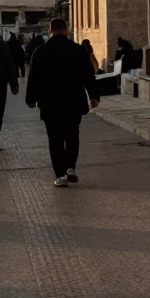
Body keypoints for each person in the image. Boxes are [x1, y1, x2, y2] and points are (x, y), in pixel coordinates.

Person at [25, 18, 100, 187]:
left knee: (55, 138)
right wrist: (94, 96)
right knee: (72, 134)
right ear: (66, 31)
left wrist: (31, 99)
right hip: (74, 101)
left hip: (50, 103)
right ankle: (70, 167)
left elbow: (33, 78)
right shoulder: (79, 50)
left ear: (50, 31)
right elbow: (89, 75)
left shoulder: (40, 51)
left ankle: (60, 175)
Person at [0, 35, 19, 150]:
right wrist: (13, 84)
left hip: (0, 84)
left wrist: (13, 83)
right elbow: (10, 65)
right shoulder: (2, 47)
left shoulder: (3, 47)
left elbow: (10, 65)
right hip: (0, 84)